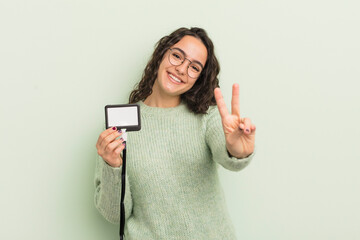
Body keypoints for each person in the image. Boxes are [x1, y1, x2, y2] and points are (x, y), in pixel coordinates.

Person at [94, 27, 256, 239]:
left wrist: (237, 150)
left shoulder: (207, 116)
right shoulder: (121, 125)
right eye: (177, 56)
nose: (181, 69)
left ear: (199, 78)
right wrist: (112, 167)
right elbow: (115, 215)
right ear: (162, 54)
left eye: (194, 67)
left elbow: (228, 153)